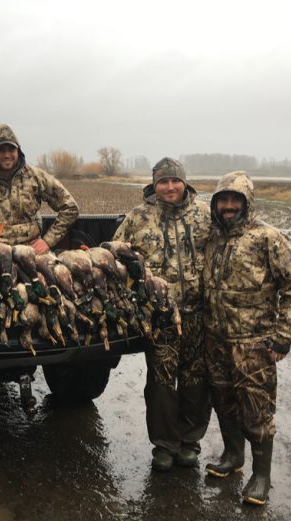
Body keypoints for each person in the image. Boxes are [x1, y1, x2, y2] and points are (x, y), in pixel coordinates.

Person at [203, 171, 291, 506]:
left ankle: (261, 476)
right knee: (223, 401)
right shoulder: (212, 237)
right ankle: (234, 457)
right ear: (216, 203)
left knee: (256, 410)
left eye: (236, 200)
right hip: (216, 339)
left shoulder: (269, 238)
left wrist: (283, 336)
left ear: (247, 203)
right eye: (223, 200)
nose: (229, 206)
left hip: (254, 343)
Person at [112, 157, 212, 472]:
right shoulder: (139, 217)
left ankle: (190, 442)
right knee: (161, 382)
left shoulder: (205, 215)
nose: (169, 187)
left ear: (185, 182)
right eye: (163, 182)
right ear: (154, 185)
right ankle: (165, 446)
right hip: (160, 315)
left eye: (175, 181)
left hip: (198, 312)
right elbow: (113, 251)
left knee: (196, 379)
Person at [0, 123, 79, 254]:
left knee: (57, 272)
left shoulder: (36, 176)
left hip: (33, 251)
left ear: (18, 150)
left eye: (11, 149)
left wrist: (47, 241)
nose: (7, 155)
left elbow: (70, 207)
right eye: (0, 150)